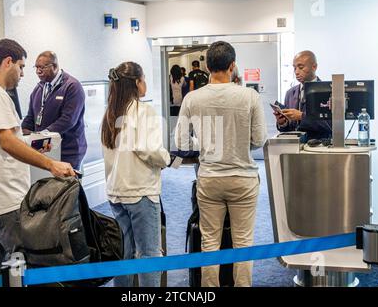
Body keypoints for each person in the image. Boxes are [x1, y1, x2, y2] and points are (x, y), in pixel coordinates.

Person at [0, 39, 75, 283]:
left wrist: (37, 144)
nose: (24, 73)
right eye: (21, 66)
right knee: (28, 261)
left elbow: (6, 139)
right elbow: (7, 141)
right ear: (7, 62)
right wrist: (51, 164)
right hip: (6, 199)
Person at [175, 41, 266, 287]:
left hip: (210, 178)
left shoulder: (192, 98)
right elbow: (258, 140)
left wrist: (205, 142)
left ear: (206, 66)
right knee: (243, 243)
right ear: (232, 65)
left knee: (210, 243)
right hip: (243, 179)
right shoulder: (250, 96)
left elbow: (181, 141)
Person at [101, 62, 171, 287]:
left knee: (125, 253)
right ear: (137, 83)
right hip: (140, 192)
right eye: (144, 79)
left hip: (116, 193)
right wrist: (166, 158)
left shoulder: (110, 113)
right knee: (149, 255)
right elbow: (148, 148)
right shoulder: (143, 110)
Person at [22, 51, 87, 170]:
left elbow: (68, 120)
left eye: (42, 67)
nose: (38, 71)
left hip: (68, 152)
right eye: (36, 67)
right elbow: (30, 117)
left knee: (67, 188)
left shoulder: (72, 87)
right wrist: (21, 134)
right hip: (45, 150)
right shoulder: (39, 88)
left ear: (55, 66)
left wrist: (42, 135)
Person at [275, 50, 332, 141]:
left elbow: (330, 126)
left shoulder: (328, 91)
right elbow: (288, 129)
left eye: (301, 67)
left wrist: (302, 116)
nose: (296, 72)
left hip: (319, 147)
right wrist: (283, 123)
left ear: (314, 67)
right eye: (294, 68)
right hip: (294, 148)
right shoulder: (290, 93)